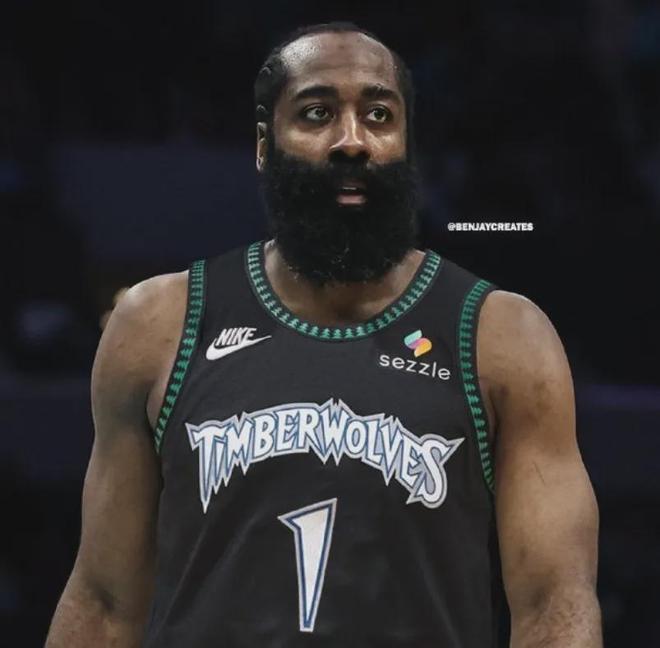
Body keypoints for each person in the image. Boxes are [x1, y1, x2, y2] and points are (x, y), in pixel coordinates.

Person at [46, 22, 602, 647]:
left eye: (379, 116)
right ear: (264, 144)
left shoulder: (502, 335)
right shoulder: (158, 323)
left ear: (406, 143)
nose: (352, 141)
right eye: (317, 113)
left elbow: (555, 605)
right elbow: (103, 602)